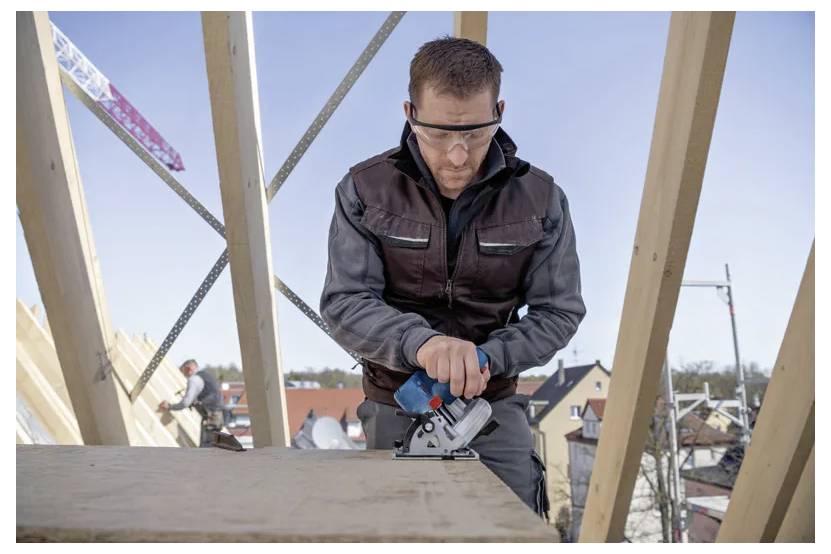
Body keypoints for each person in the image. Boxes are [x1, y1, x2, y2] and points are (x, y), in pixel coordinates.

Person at [319, 36, 586, 519]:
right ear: (409, 113)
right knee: (396, 529)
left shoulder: (543, 199)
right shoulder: (363, 190)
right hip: (396, 400)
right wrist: (425, 345)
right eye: (440, 134)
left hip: (494, 405)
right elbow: (345, 302)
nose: (459, 156)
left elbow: (558, 312)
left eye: (476, 133)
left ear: (500, 110)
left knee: (514, 526)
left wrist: (485, 358)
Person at [158, 359, 225, 447]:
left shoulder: (194, 379)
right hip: (217, 417)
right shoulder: (205, 376)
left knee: (206, 448)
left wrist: (170, 406)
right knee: (211, 446)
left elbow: (185, 403)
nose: (185, 376)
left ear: (188, 368)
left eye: (184, 373)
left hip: (211, 418)